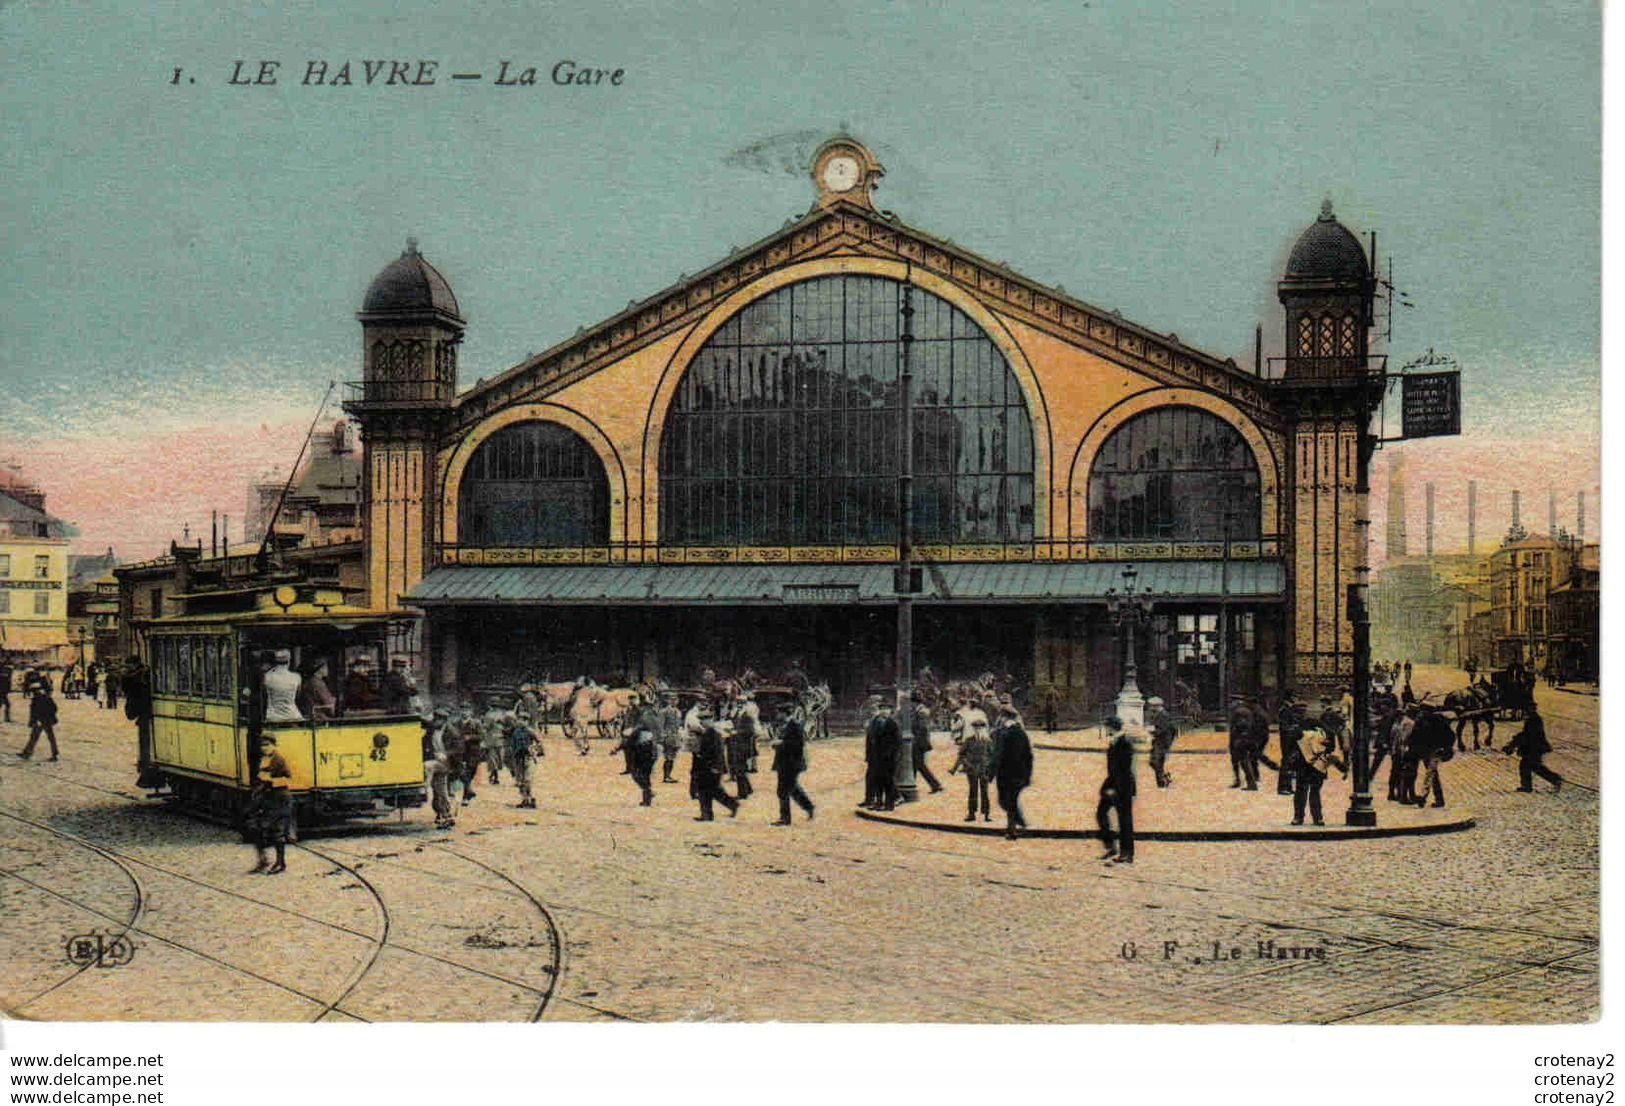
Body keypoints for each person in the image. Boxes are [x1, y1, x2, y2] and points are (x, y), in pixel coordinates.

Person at [248, 733, 293, 874]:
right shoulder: (264, 759)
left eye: (267, 745)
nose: (265, 748)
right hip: (266, 798)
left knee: (277, 831)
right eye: (262, 745)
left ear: (274, 745)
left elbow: (288, 779)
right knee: (255, 827)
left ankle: (280, 863)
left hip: (280, 798)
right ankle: (263, 860)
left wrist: (269, 780)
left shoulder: (278, 760)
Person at [989, 705, 1032, 840]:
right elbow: (1028, 755)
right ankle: (1017, 824)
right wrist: (1027, 775)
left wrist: (990, 773)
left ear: (1003, 717)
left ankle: (1012, 829)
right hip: (1020, 773)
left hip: (1005, 773)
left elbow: (997, 755)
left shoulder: (1003, 733)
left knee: (1006, 801)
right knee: (1010, 800)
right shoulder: (1022, 733)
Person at [1097, 716, 1135, 862]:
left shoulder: (1124, 743)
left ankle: (1127, 853)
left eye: (1107, 727)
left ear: (1111, 727)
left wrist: (1114, 788)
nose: (1106, 729)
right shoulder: (1115, 741)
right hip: (1113, 785)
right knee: (1101, 813)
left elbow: (1123, 771)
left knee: (1124, 820)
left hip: (1122, 787)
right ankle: (1111, 846)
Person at [769, 704, 815, 825]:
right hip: (784, 763)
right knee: (793, 789)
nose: (777, 715)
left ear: (785, 713)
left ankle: (785, 818)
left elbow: (797, 745)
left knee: (782, 790)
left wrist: (780, 743)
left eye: (779, 713)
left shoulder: (795, 726)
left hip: (792, 764)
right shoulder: (784, 725)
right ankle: (809, 807)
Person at [1502, 703, 1562, 794]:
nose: (1525, 712)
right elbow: (1525, 734)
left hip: (1534, 747)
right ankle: (1529, 785)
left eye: (1526, 710)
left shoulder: (1533, 720)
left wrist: (1513, 744)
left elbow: (1526, 735)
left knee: (1528, 766)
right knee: (1532, 766)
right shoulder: (1532, 718)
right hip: (1534, 746)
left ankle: (1553, 779)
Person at [949, 699, 993, 823]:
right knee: (973, 791)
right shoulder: (969, 740)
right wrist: (955, 767)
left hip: (983, 769)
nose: (978, 730)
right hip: (972, 768)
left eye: (980, 728)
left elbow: (993, 756)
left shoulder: (987, 742)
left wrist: (992, 769)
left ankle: (986, 814)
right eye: (976, 728)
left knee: (984, 792)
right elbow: (961, 755)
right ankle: (972, 813)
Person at [1292, 726, 1345, 826]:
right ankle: (1317, 818)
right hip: (1316, 765)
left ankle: (1299, 817)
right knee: (1314, 792)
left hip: (1305, 764)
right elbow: (1332, 752)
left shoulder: (1299, 730)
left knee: (1302, 791)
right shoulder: (1328, 731)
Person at [691, 718, 739, 821]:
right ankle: (707, 814)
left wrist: (716, 767)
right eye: (701, 721)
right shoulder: (705, 733)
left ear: (710, 721)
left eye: (704, 721)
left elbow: (718, 753)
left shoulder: (714, 734)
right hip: (705, 767)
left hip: (712, 768)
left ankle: (730, 805)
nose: (702, 723)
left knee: (712, 790)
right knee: (708, 791)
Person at [1409, 703, 1455, 808]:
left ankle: (1423, 797)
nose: (1422, 712)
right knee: (1432, 774)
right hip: (1427, 751)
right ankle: (1439, 799)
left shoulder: (1436, 721)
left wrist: (1444, 748)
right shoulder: (1422, 721)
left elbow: (1450, 736)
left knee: (1430, 773)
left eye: (1424, 710)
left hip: (1435, 751)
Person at [123, 653, 157, 786]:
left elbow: (128, 687)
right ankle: (145, 769)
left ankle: (146, 771)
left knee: (145, 744)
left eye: (129, 665)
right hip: (146, 712)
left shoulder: (136, 676)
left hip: (144, 713)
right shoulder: (144, 673)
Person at [422, 708, 457, 828]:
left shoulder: (451, 732)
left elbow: (459, 748)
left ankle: (424, 786)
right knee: (438, 790)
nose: (434, 722)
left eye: (437, 720)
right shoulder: (431, 730)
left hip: (447, 763)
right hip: (436, 761)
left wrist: (446, 754)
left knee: (428, 768)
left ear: (443, 720)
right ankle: (443, 814)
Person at [862, 699, 900, 811]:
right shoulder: (877, 723)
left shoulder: (892, 723)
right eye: (882, 709)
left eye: (886, 709)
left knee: (888, 781)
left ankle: (889, 804)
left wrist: (890, 754)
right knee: (878, 781)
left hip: (888, 758)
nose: (884, 711)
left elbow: (896, 742)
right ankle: (879, 802)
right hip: (878, 757)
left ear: (890, 711)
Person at [506, 709, 542, 809]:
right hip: (517, 758)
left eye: (524, 720)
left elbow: (539, 743)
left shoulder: (530, 731)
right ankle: (524, 799)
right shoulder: (514, 732)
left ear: (527, 721)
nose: (521, 722)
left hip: (528, 758)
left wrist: (534, 751)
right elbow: (511, 744)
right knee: (520, 780)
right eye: (520, 719)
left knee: (527, 780)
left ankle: (530, 799)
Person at [909, 694, 942, 794]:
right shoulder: (920, 711)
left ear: (915, 702)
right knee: (915, 764)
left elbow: (922, 728)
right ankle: (912, 785)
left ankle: (935, 785)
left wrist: (914, 739)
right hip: (919, 741)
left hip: (919, 742)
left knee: (918, 764)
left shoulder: (921, 712)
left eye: (912, 703)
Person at [20, 682, 59, 760]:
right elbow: (54, 708)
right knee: (50, 737)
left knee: (34, 737)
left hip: (41, 721)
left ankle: (27, 753)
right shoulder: (46, 697)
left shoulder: (37, 699)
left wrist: (33, 721)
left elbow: (34, 712)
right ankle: (54, 754)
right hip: (46, 720)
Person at [1274, 691, 1304, 796]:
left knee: (1290, 763)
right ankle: (1283, 787)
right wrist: (1295, 728)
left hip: (1291, 739)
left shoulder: (1289, 709)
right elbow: (1284, 726)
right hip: (1287, 740)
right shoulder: (1285, 710)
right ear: (1290, 697)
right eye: (1295, 696)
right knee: (1286, 762)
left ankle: (1288, 786)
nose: (1297, 699)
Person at [1228, 694, 1258, 789]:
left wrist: (1237, 737)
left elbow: (1241, 725)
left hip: (1240, 739)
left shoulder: (1239, 712)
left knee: (1243, 761)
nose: (1231, 704)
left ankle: (1250, 783)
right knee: (1239, 761)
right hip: (1242, 738)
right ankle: (1241, 781)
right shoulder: (1245, 711)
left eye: (1233, 701)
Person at [1146, 696, 1176, 788]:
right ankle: (1164, 778)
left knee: (1156, 761)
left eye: (1152, 706)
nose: (1150, 708)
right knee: (1155, 762)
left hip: (1162, 742)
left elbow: (1161, 729)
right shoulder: (1159, 714)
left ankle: (1163, 782)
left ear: (1157, 706)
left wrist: (1150, 730)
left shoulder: (1163, 715)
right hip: (1159, 741)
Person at [657, 693, 683, 783]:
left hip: (675, 737)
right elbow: (660, 726)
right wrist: (662, 738)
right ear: (668, 701)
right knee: (668, 757)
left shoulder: (678, 712)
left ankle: (669, 776)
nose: (674, 701)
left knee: (672, 757)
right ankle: (666, 776)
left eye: (675, 699)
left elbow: (679, 725)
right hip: (668, 737)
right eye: (671, 699)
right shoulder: (663, 712)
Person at [480, 703, 507, 786]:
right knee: (494, 760)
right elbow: (485, 727)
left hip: (498, 740)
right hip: (494, 740)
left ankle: (493, 775)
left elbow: (485, 727)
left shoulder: (499, 714)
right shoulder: (492, 715)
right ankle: (494, 777)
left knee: (497, 759)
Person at [0, 659, 13, 723]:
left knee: (6, 704)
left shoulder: (8, 671)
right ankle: (6, 718)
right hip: (2, 691)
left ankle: (6, 718)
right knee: (7, 704)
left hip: (4, 691)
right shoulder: (7, 671)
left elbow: (8, 682)